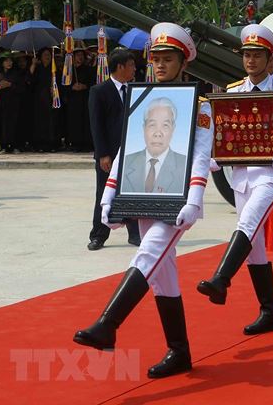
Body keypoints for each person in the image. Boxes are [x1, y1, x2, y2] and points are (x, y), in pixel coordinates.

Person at [75, 22, 213, 379]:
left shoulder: (199, 104)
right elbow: (127, 149)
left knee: (148, 254)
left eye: (169, 59)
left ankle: (108, 324)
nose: (161, 65)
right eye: (157, 59)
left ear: (183, 62)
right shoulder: (142, 98)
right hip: (144, 194)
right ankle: (179, 351)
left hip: (178, 199)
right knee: (163, 277)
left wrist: (195, 198)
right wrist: (110, 195)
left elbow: (200, 155)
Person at [197, 24, 273, 335]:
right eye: (247, 55)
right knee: (254, 246)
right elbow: (225, 134)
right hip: (241, 176)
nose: (251, 60)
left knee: (247, 224)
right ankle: (269, 313)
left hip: (272, 174)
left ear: (271, 59)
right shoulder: (233, 92)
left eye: (258, 55)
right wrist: (216, 157)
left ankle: (221, 279)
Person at [87, 49, 141, 251]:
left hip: (132, 152)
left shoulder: (136, 89)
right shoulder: (99, 91)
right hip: (109, 154)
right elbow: (96, 125)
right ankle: (98, 235)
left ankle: (135, 233)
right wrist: (103, 154)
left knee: (132, 193)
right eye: (131, 65)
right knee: (104, 194)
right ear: (120, 67)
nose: (134, 69)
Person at [121, 97, 187, 195]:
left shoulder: (185, 165)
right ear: (144, 128)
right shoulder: (126, 162)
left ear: (173, 129)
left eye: (165, 125)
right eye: (152, 125)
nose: (158, 133)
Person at [66, 48, 95, 152]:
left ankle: (87, 143)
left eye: (81, 55)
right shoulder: (69, 70)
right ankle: (75, 143)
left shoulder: (89, 69)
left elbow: (93, 83)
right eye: (78, 55)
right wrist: (72, 87)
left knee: (86, 121)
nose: (80, 57)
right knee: (75, 121)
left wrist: (85, 86)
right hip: (74, 100)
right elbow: (64, 85)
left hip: (85, 98)